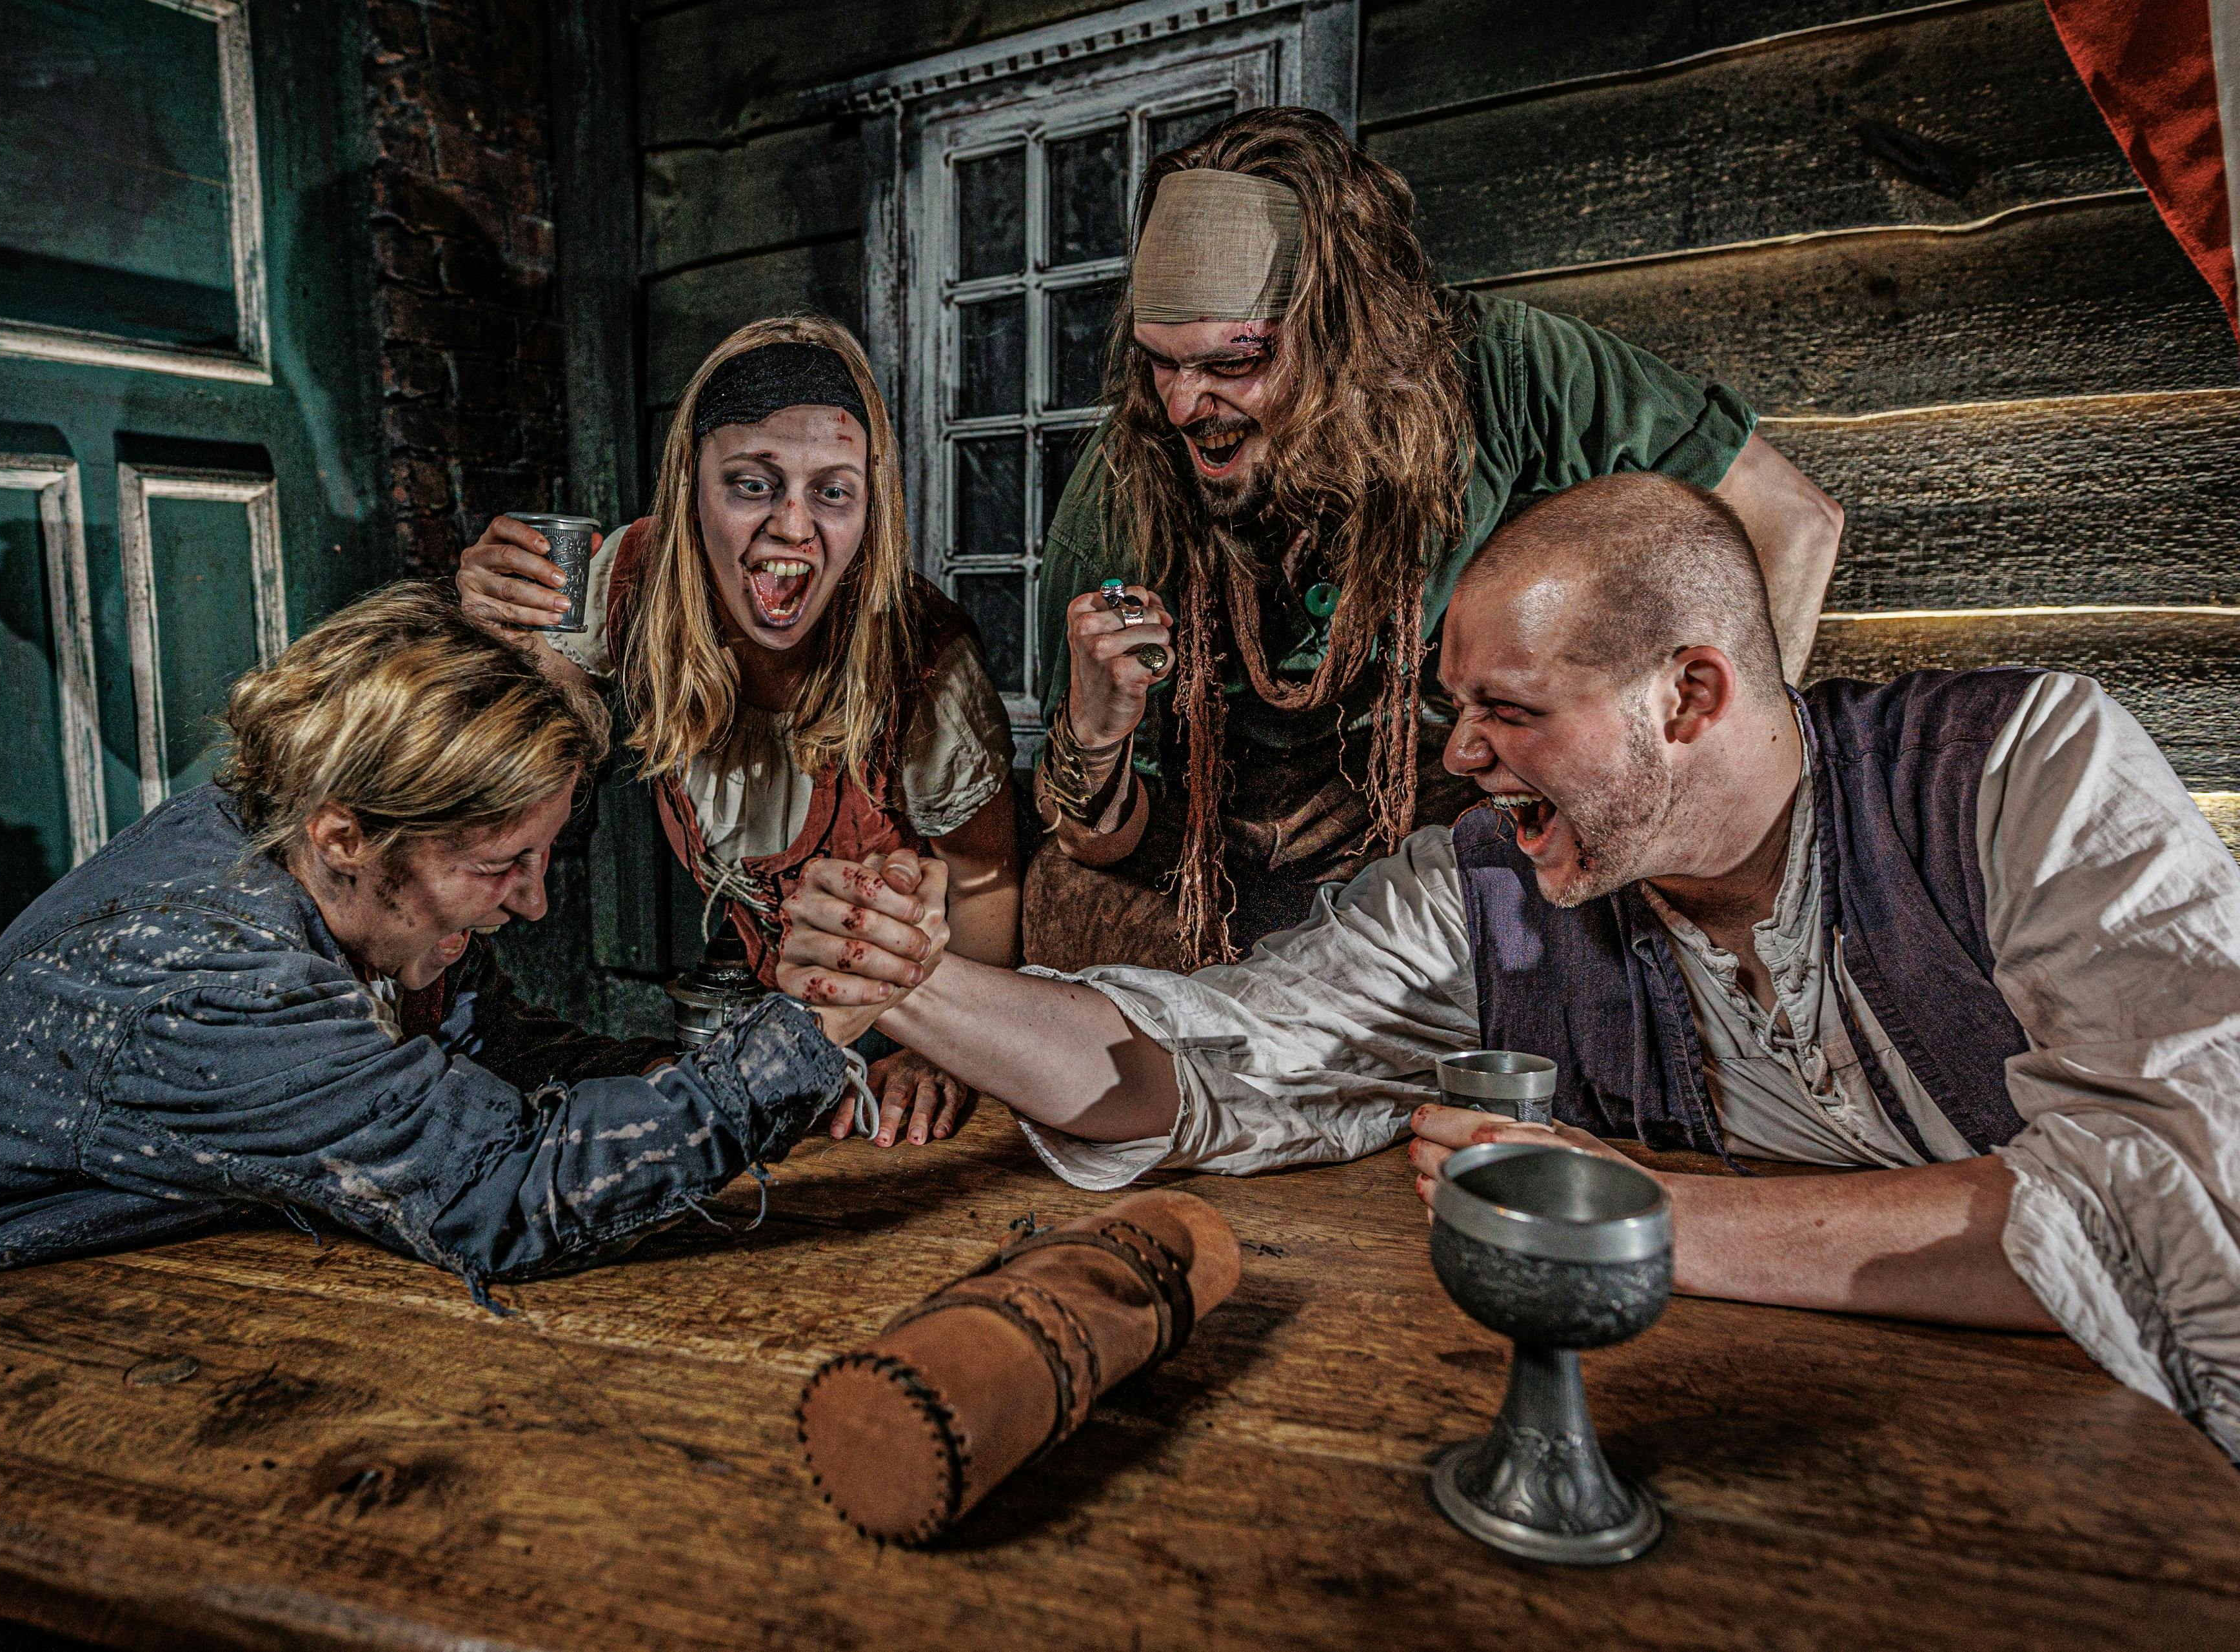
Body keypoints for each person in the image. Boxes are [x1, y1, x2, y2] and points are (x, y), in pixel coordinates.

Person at [775, 474, 2240, 1460]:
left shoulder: (2017, 771)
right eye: (1449, 707)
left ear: (1688, 693)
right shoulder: (1490, 886)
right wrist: (914, 984)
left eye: (1507, 710)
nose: (1459, 755)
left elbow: (2176, 1190)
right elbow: (1203, 1059)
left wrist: (1625, 1220)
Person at [0, 581, 881, 1650]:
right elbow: (504, 1192)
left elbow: (496, 1055)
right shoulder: (205, 971)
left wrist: (732, 1076)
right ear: (350, 833)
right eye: (502, 865)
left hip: (79, 1392)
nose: (535, 901)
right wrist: (807, 1035)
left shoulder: (312, 854)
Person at [1031, 107, 1845, 972]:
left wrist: (1708, 790)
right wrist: (1095, 728)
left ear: (1348, 333)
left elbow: (1792, 520)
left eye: (1234, 363)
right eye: (1162, 360)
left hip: (1453, 826)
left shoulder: (1509, 373)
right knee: (1070, 913)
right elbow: (1094, 842)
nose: (1185, 405)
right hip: (1219, 852)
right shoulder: (1129, 482)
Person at [457, 315, 1018, 1148]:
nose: (793, 526)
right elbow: (535, 729)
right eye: (752, 484)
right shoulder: (633, 582)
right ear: (690, 486)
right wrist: (492, 622)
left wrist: (942, 1051)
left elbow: (984, 873)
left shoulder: (924, 667)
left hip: (899, 1026)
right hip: (758, 1021)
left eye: (832, 490)